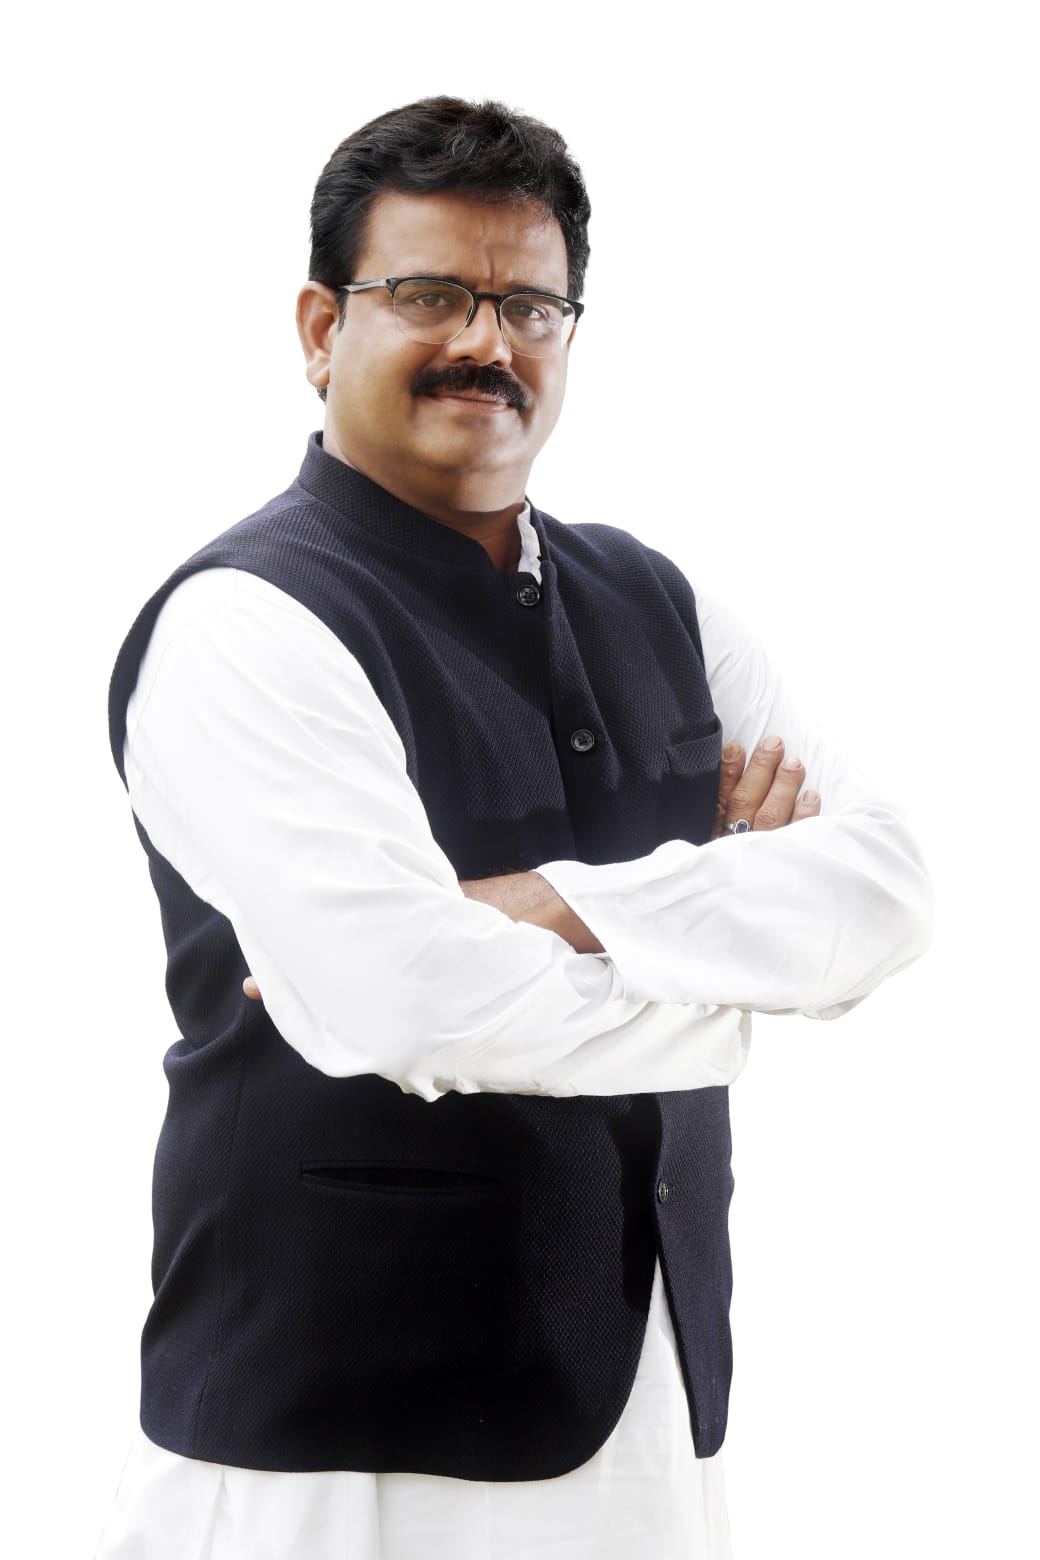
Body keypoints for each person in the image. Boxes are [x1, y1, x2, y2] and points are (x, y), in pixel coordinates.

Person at [98, 97, 932, 1560]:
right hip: (340, 1437)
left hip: (649, 1399)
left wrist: (540, 904)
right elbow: (412, 999)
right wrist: (744, 980)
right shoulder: (244, 623)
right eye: (430, 294)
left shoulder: (660, 600)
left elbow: (888, 888)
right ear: (321, 327)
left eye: (529, 305)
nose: (488, 342)